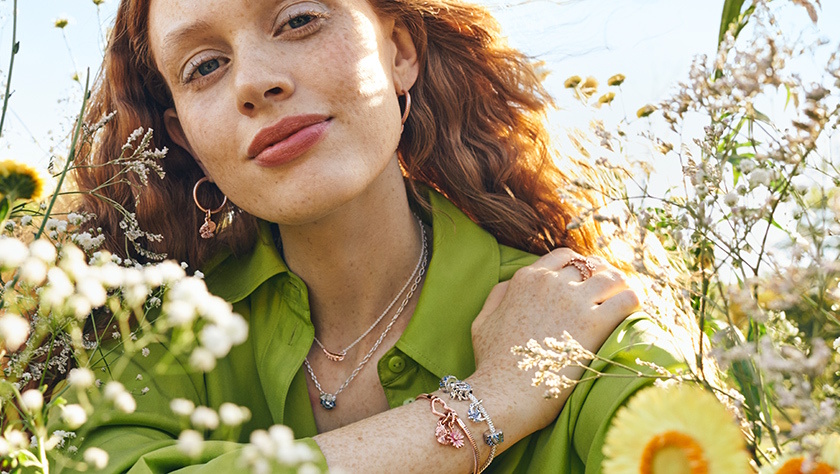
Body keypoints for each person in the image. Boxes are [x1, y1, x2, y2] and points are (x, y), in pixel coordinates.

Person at [60, 0, 692, 472]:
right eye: (204, 66)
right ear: (185, 137)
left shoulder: (572, 324)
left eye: (299, 19)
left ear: (400, 52)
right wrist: (493, 400)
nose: (253, 82)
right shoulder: (151, 343)